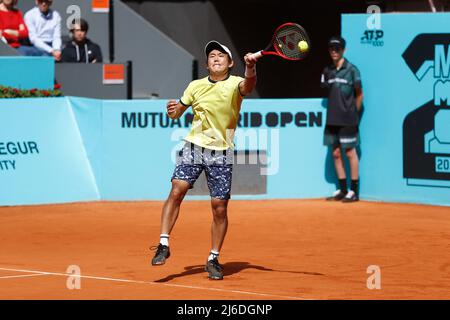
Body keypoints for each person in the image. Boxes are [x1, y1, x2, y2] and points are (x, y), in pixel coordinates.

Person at [150, 41, 258, 280]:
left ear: (230, 63)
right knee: (177, 189)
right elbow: (178, 110)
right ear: (207, 63)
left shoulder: (235, 84)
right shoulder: (195, 86)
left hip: (221, 152)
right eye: (211, 56)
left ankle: (213, 258)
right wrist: (173, 110)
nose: (216, 58)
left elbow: (248, 87)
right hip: (194, 146)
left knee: (219, 208)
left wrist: (251, 68)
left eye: (221, 55)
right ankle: (163, 244)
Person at [321, 36, 363, 203]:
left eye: (337, 49)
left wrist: (354, 114)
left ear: (343, 50)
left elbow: (359, 95)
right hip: (332, 120)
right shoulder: (327, 71)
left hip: (348, 120)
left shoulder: (352, 70)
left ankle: (353, 191)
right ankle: (342, 189)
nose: (334, 51)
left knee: (350, 152)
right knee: (336, 153)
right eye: (331, 48)